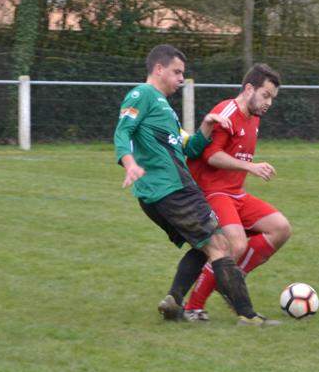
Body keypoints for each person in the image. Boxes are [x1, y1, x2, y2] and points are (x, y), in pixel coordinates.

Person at [113, 44, 277, 326]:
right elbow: (122, 131)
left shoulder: (163, 109)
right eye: (177, 72)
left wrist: (205, 126)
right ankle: (248, 315)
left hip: (154, 196)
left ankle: (174, 300)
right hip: (173, 189)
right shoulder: (143, 94)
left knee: (202, 246)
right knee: (220, 246)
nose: (181, 79)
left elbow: (189, 148)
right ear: (159, 69)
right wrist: (129, 163)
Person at [180, 64, 292, 321]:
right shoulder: (226, 112)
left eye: (273, 98)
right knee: (236, 244)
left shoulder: (255, 118)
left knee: (281, 228)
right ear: (249, 89)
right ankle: (193, 307)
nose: (269, 103)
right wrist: (249, 166)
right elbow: (211, 156)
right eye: (265, 95)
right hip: (214, 193)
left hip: (235, 194)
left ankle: (231, 278)